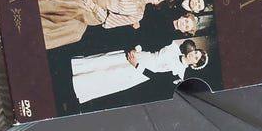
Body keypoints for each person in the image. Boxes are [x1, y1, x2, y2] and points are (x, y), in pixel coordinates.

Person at [36, 0, 167, 48]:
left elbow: (109, 21)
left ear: (156, 3)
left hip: (95, 14)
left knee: (77, 10)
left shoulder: (138, 14)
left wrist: (92, 5)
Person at [71, 39, 208, 103]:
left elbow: (157, 78)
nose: (193, 54)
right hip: (141, 55)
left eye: (196, 58)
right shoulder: (173, 47)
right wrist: (136, 49)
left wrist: (136, 65)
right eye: (195, 52)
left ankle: (76, 85)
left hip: (139, 72)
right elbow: (152, 43)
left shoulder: (179, 75)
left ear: (194, 64)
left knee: (108, 76)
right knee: (106, 61)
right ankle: (75, 69)